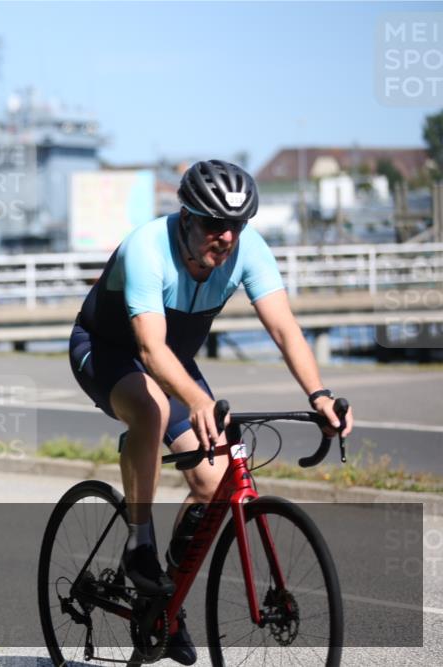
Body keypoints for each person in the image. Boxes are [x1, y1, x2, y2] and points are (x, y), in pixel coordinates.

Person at [69, 159, 354, 664]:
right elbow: (150, 349)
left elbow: (285, 329)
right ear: (186, 217)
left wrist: (320, 395)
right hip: (107, 349)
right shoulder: (147, 247)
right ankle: (138, 544)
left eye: (236, 225)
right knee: (152, 409)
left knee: (212, 481)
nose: (226, 237)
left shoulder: (249, 250)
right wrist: (198, 399)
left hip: (172, 362)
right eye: (214, 224)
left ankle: (165, 605)